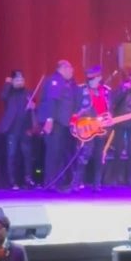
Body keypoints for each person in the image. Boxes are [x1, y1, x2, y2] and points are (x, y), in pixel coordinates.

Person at [38, 60, 79, 190]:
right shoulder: (55, 81)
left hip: (64, 124)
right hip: (55, 123)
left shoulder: (69, 83)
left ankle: (58, 182)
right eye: (70, 68)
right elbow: (51, 101)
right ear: (63, 68)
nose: (72, 71)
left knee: (60, 153)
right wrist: (49, 120)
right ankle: (50, 182)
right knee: (53, 153)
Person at [70, 65, 111, 193]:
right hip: (86, 127)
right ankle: (76, 183)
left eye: (95, 77)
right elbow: (74, 109)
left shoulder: (105, 91)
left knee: (99, 155)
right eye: (90, 78)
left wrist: (110, 117)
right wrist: (73, 125)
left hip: (101, 127)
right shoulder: (80, 90)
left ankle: (97, 184)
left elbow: (109, 108)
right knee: (84, 155)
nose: (93, 80)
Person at [0, 70, 36, 189]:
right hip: (12, 129)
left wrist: (33, 107)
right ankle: (12, 181)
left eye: (22, 80)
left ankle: (28, 178)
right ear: (13, 81)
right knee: (12, 155)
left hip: (25, 129)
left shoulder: (29, 93)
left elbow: (33, 111)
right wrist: (7, 83)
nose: (20, 82)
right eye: (17, 80)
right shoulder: (9, 92)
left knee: (27, 155)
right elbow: (2, 97)